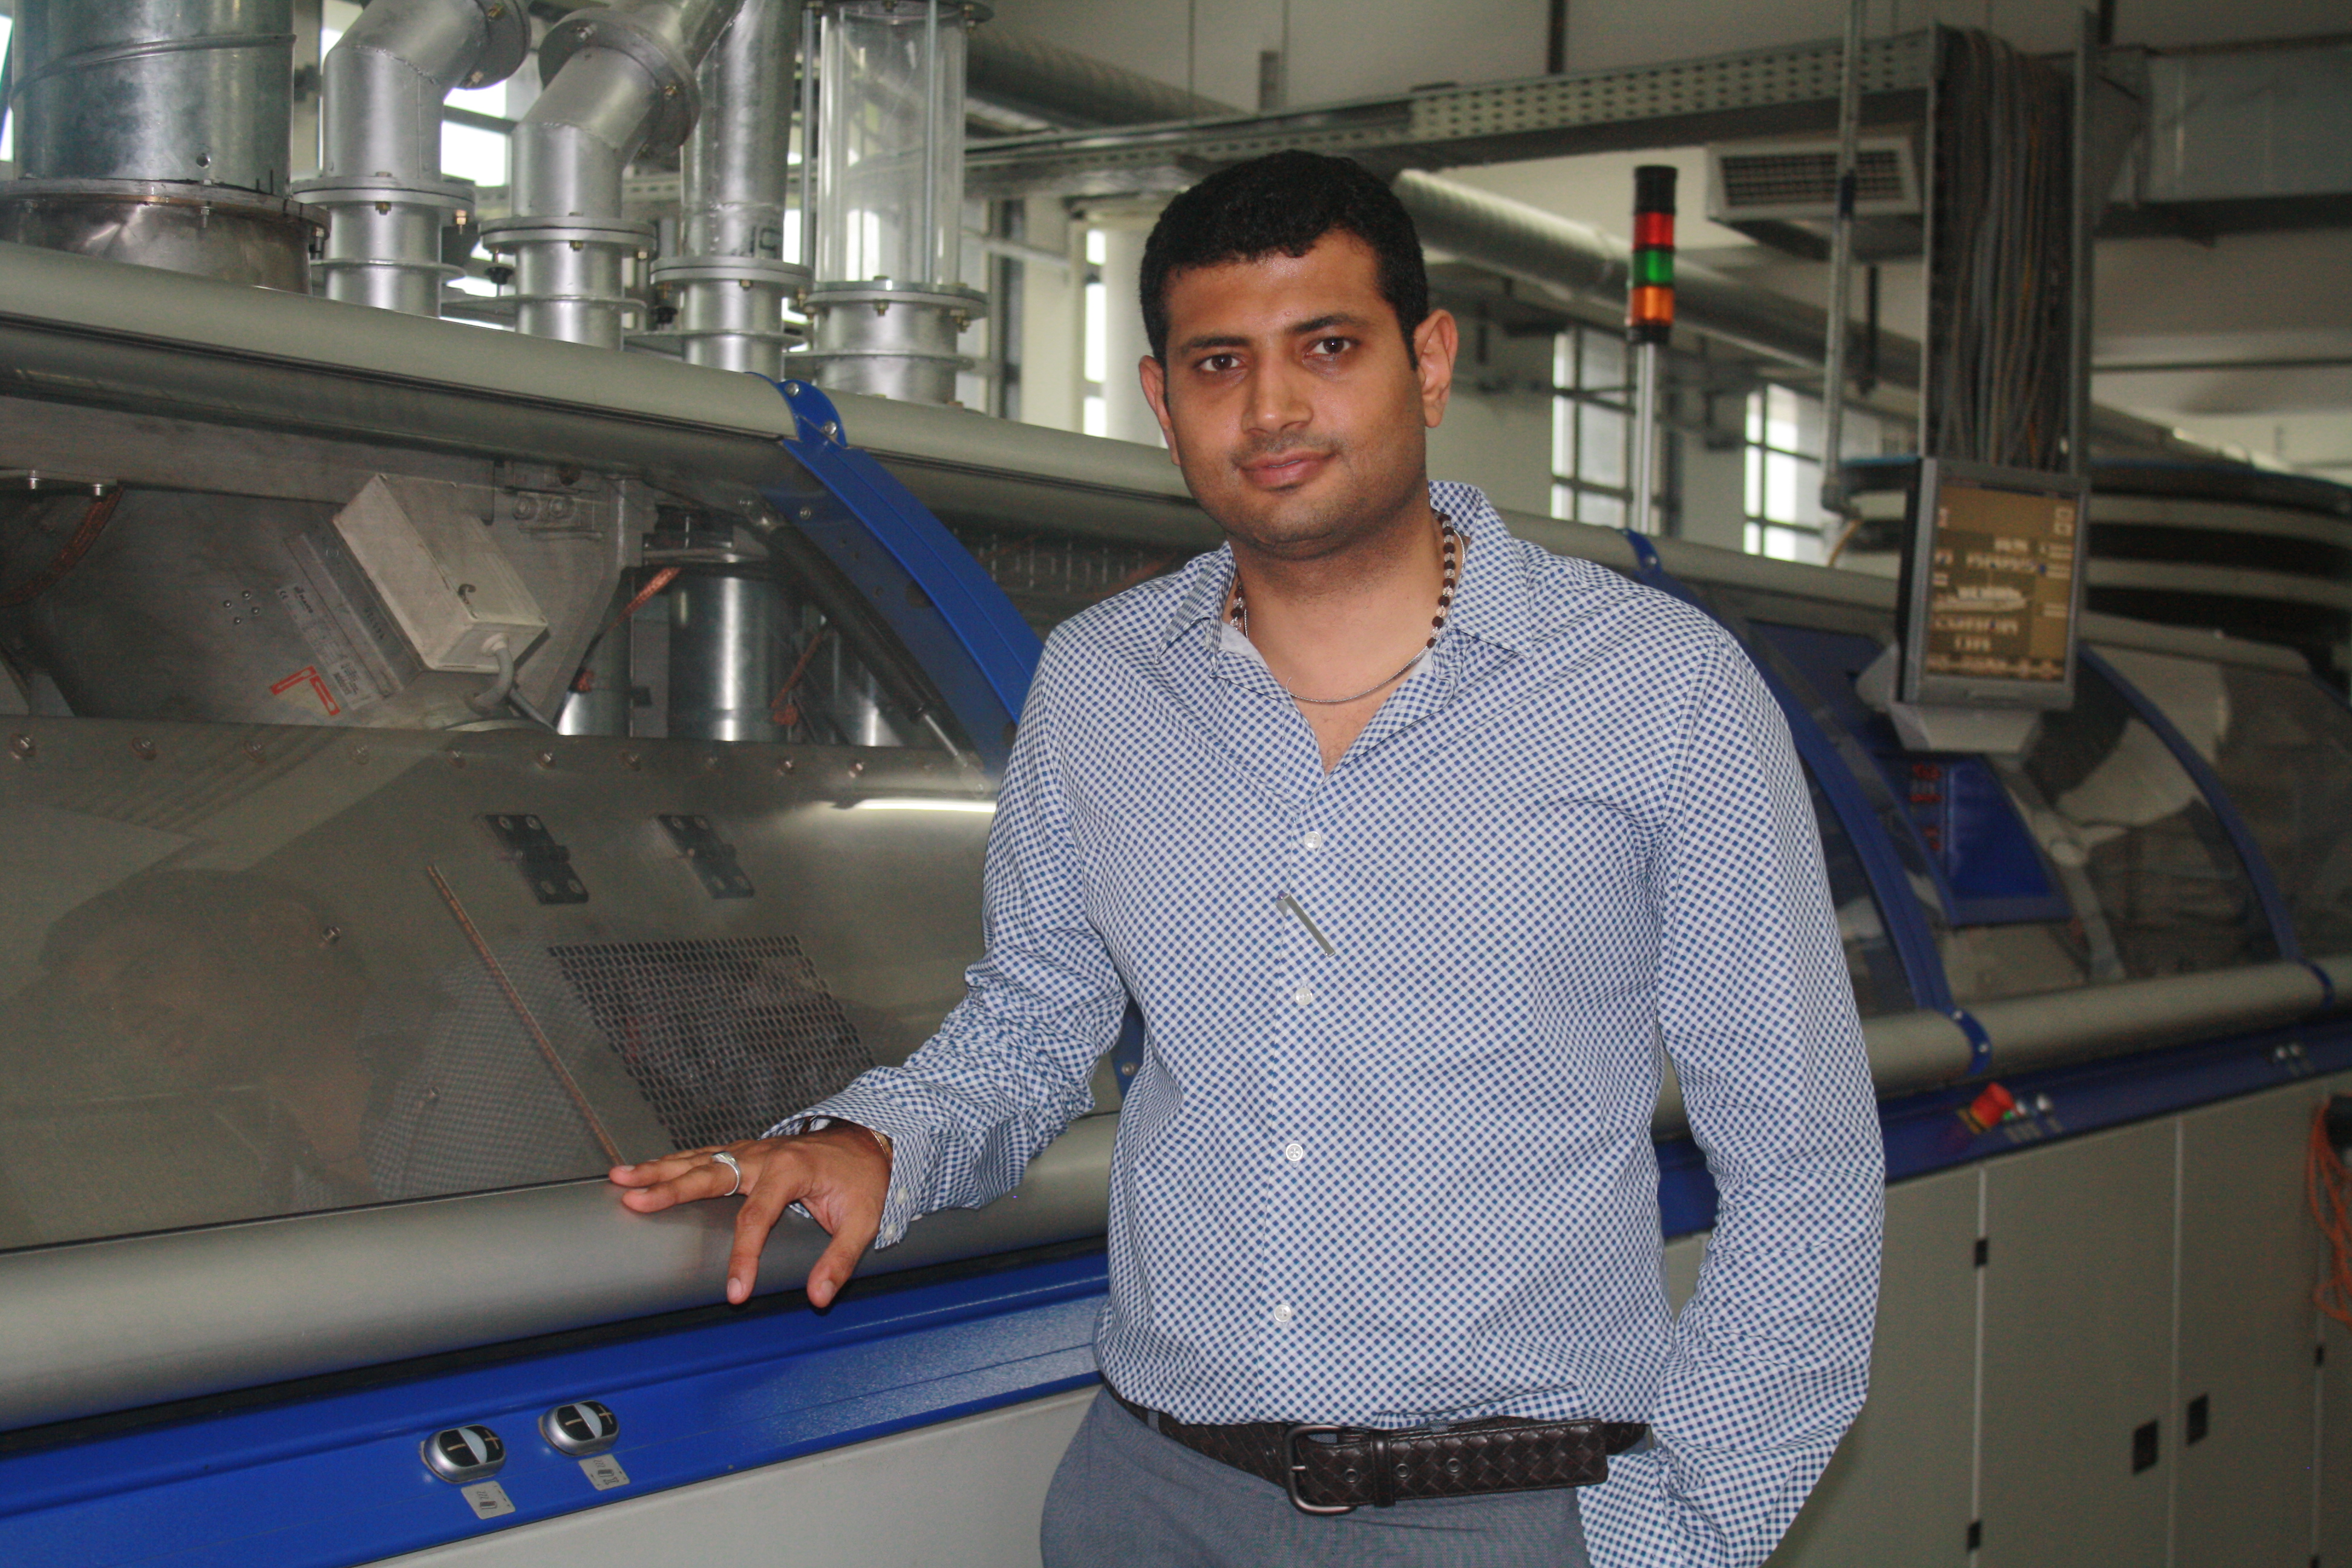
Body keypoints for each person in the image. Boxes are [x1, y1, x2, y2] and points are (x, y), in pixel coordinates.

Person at [610, 149, 1884, 1567]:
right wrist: (877, 1141)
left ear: (1429, 360)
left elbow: (1803, 1158)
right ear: (1163, 402)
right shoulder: (1100, 684)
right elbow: (1035, 1023)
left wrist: (1678, 1538)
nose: (1272, 410)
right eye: (1220, 364)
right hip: (1157, 1499)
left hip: (1506, 1508)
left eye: (1327, 347)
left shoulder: (1657, 688)